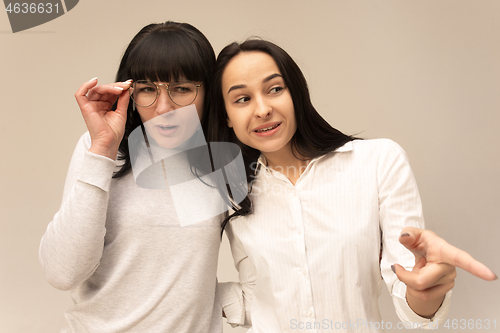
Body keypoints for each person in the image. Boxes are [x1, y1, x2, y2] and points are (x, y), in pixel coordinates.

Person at [208, 39, 498, 332]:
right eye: (242, 99)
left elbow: (411, 301)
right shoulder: (233, 192)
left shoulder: (378, 161)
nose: (262, 109)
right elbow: (256, 293)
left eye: (275, 89)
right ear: (227, 117)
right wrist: (185, 294)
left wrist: (428, 288)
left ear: (297, 93)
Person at [39, 21, 224, 332]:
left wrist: (224, 303)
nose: (164, 108)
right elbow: (62, 273)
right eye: (148, 89)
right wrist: (102, 150)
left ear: (208, 91)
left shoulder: (223, 159)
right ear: (130, 94)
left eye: (181, 89)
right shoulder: (100, 149)